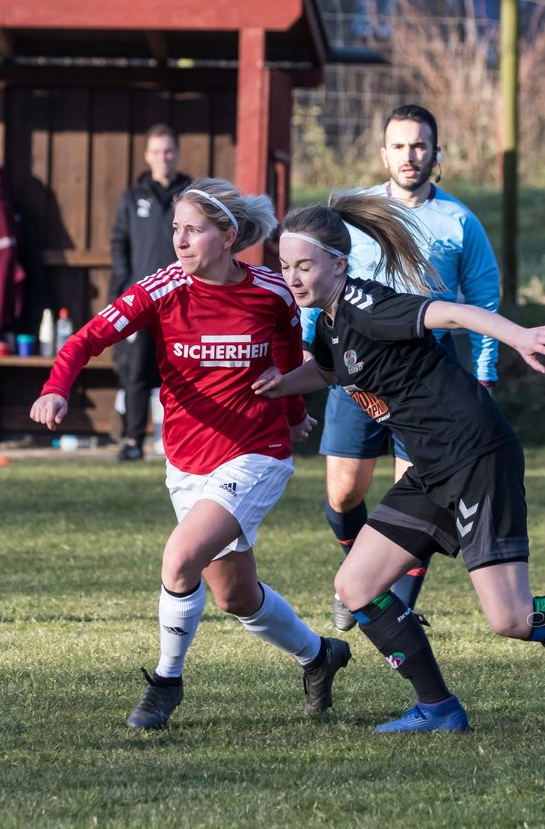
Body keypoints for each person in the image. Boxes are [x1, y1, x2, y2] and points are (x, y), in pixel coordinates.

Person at [254, 193, 545, 732]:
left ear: (338, 264)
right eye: (285, 266)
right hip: (432, 468)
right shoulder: (333, 322)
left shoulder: (368, 306)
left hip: (477, 456)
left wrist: (518, 335)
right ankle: (438, 708)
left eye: (304, 266)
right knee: (355, 587)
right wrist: (275, 389)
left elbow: (450, 311)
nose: (291, 277)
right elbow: (327, 370)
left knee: (511, 617)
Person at [31, 178, 351, 730]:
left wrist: (296, 416)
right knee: (235, 595)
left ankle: (166, 683)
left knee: (180, 559)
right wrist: (56, 386)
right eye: (175, 229)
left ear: (228, 237)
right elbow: (85, 339)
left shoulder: (272, 292)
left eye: (193, 230)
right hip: (186, 460)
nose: (179, 241)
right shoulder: (160, 289)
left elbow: (284, 366)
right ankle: (319, 655)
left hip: (256, 453)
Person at [303, 104, 501, 632]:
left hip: (428, 374)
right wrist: (307, 347)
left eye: (419, 145)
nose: (409, 155)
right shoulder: (354, 215)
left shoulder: (459, 220)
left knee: (416, 491)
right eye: (399, 145)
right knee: (344, 493)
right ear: (383, 152)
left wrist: (485, 372)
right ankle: (358, 572)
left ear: (436, 153)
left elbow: (483, 298)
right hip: (355, 368)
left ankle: (399, 608)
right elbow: (313, 281)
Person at [109, 124, 192, 461]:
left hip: (183, 301)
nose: (163, 157)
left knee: (186, 371)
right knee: (136, 372)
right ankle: (132, 442)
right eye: (156, 151)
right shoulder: (132, 198)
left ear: (177, 153)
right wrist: (122, 290)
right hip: (142, 300)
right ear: (147, 155)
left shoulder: (191, 195)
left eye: (168, 150)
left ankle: (185, 442)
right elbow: (119, 245)